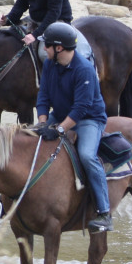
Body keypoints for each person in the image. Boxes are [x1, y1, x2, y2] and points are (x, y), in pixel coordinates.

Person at [34, 22, 113, 232]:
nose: (43, 49)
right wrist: (42, 123)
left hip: (89, 120)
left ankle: (105, 213)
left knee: (87, 156)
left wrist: (59, 130)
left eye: (46, 45)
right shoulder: (50, 64)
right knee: (28, 142)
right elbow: (42, 97)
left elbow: (81, 108)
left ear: (58, 48)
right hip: (58, 115)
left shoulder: (84, 69)